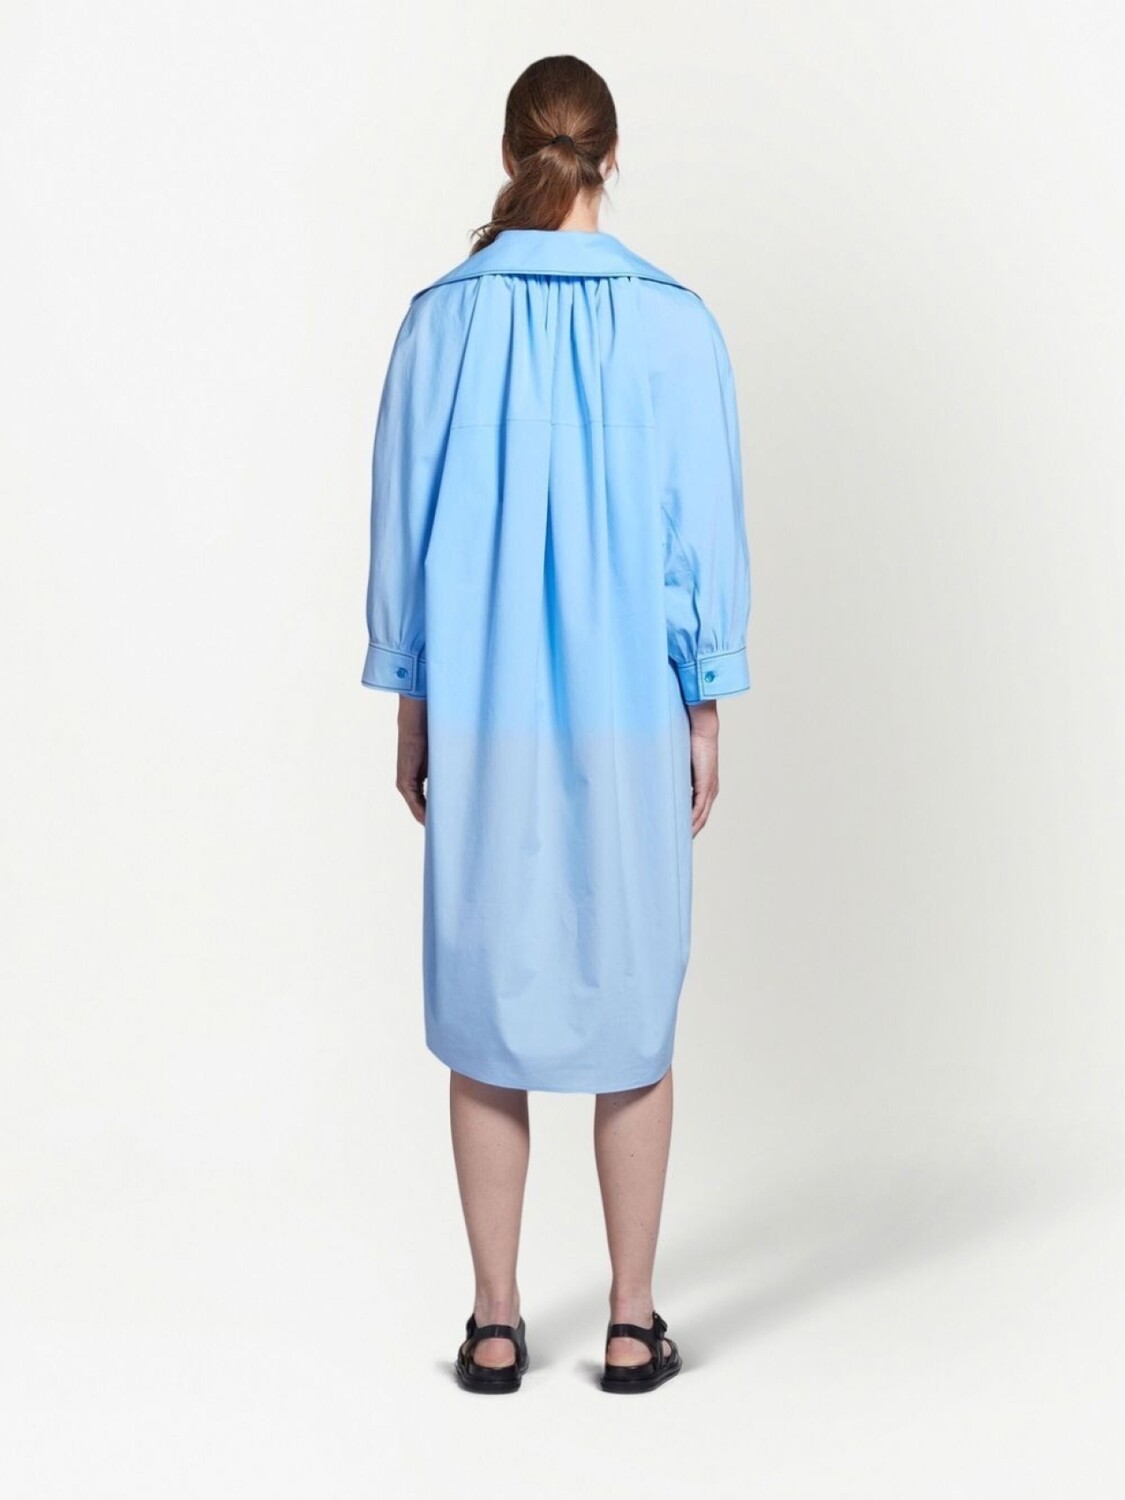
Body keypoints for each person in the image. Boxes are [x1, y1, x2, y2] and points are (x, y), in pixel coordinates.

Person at [361, 55, 751, 1394]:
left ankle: (493, 1324)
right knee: (633, 1009)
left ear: (510, 151)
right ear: (611, 155)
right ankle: (633, 1324)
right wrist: (705, 702)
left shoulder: (438, 322)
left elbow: (404, 531)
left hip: (481, 709)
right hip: (629, 708)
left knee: (486, 1006)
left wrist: (410, 698)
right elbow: (704, 534)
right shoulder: (676, 324)